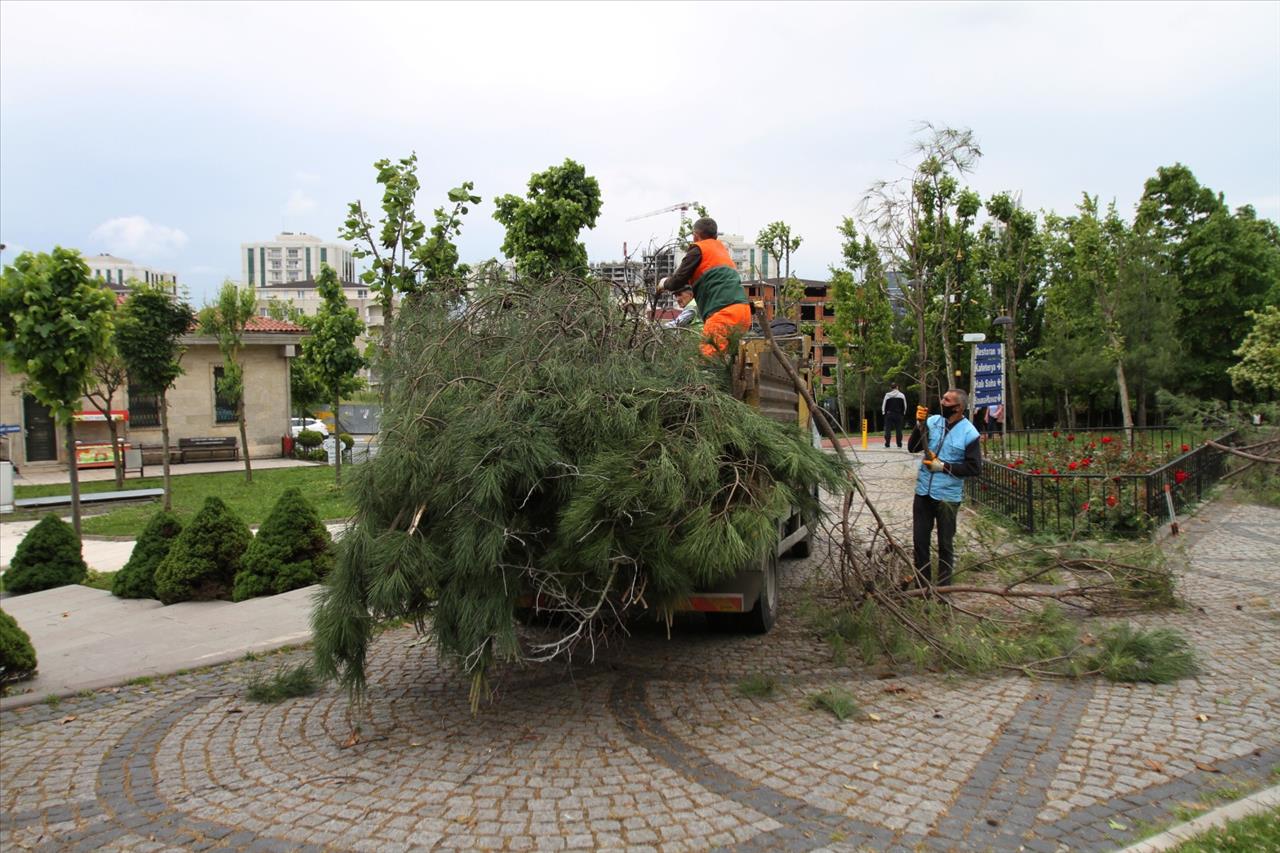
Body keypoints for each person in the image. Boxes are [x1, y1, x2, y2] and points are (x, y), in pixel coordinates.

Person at [907, 388, 982, 590]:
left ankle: (943, 589)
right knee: (920, 542)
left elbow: (974, 467)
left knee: (945, 544)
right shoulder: (933, 422)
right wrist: (919, 424)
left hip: (948, 497)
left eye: (947, 400)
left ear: (958, 407)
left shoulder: (970, 433)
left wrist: (943, 466)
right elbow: (912, 447)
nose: (942, 402)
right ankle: (922, 587)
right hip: (923, 493)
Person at [662, 218, 751, 357]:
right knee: (730, 364)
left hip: (723, 314)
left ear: (695, 235)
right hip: (744, 313)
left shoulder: (698, 248)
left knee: (708, 362)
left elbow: (677, 281)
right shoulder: (722, 251)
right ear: (715, 235)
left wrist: (663, 283)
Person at [882, 383, 907, 448]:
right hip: (898, 414)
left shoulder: (887, 395)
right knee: (899, 429)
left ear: (891, 388)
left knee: (888, 429)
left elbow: (884, 405)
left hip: (889, 414)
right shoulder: (901, 395)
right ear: (897, 387)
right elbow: (905, 405)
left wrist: (884, 413)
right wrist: (903, 413)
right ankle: (899, 444)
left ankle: (887, 444)